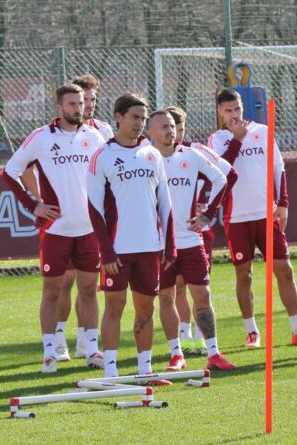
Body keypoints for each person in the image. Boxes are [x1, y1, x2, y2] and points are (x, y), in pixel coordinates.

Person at [209, 89, 297, 348]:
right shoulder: (217, 140)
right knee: (244, 274)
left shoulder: (262, 131)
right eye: (228, 110)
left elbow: (278, 168)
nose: (233, 115)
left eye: (237, 108)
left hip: (266, 213)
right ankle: (251, 331)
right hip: (236, 217)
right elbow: (221, 172)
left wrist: (282, 203)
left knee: (284, 269)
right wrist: (237, 140)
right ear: (219, 111)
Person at [3, 84, 106, 372]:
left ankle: (92, 350)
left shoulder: (94, 136)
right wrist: (32, 204)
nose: (79, 108)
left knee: (89, 291)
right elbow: (10, 172)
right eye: (72, 104)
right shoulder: (41, 137)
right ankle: (50, 351)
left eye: (81, 103)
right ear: (59, 108)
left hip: (88, 230)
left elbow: (104, 177)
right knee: (52, 290)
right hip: (56, 229)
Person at [87, 92, 176, 381]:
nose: (139, 123)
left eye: (143, 118)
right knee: (114, 308)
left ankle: (145, 370)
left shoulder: (152, 154)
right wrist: (106, 251)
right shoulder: (103, 156)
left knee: (146, 308)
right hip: (118, 250)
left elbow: (166, 203)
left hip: (149, 247)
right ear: (118, 117)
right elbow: (94, 208)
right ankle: (111, 372)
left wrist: (169, 246)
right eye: (134, 117)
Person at [147, 110, 236, 371]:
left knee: (202, 294)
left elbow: (222, 178)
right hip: (158, 245)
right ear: (151, 131)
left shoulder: (191, 155)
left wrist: (208, 214)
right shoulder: (145, 160)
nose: (170, 131)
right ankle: (176, 353)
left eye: (173, 126)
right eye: (163, 127)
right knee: (166, 297)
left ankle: (214, 353)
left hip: (191, 240)